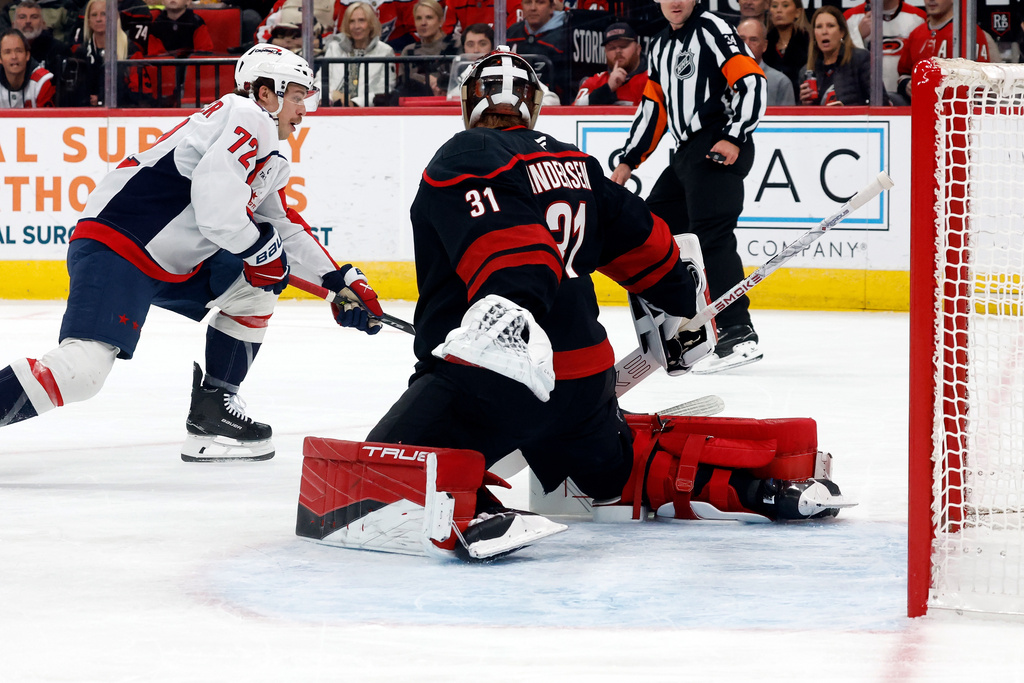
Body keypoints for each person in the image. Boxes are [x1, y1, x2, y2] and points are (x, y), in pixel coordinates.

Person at [296, 48, 849, 562]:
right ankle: (760, 487)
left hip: (493, 383)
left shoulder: (466, 153)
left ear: (467, 104)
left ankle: (475, 510)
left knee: (369, 475)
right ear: (533, 105)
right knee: (610, 470)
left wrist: (510, 312)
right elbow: (650, 245)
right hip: (585, 383)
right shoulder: (575, 162)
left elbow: (517, 255)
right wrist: (685, 307)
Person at [0, 44, 385, 464]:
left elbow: (282, 226)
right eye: (296, 96)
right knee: (83, 371)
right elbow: (217, 209)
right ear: (265, 94)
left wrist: (338, 281)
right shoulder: (247, 117)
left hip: (168, 258)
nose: (303, 108)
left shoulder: (266, 147)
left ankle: (213, 412)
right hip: (121, 244)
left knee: (254, 289)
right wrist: (261, 252)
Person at [610, 0, 767, 374]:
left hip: (716, 144)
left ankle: (737, 331)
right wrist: (629, 159)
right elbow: (654, 107)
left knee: (711, 237)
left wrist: (735, 135)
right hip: (684, 154)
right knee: (651, 228)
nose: (675, 1)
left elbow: (750, 80)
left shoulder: (714, 29)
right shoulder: (662, 45)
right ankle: (686, 324)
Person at [896, 0, 997, 101]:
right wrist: (907, 84)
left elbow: (983, 83)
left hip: (956, 109)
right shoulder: (916, 33)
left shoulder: (970, 33)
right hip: (921, 107)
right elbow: (904, 73)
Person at [64, 0, 153, 106]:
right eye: (94, 15)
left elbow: (143, 96)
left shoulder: (130, 51)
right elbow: (70, 94)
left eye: (104, 14)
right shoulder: (81, 53)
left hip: (123, 116)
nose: (98, 19)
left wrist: (102, 100)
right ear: (88, 20)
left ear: (114, 17)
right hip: (86, 117)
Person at [799, 6, 888, 106]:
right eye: (819, 27)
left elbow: (881, 102)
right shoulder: (807, 71)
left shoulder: (860, 59)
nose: (824, 32)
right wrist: (804, 104)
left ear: (842, 32)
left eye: (830, 26)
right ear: (814, 34)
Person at [844, 0, 925, 103]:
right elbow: (841, 66)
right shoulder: (850, 18)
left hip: (907, 102)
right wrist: (857, 35)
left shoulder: (918, 18)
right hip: (863, 103)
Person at [319, 1, 396, 107]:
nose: (356, 26)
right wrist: (327, 99)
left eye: (361, 21)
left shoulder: (385, 51)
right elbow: (320, 81)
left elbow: (384, 90)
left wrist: (355, 103)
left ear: (371, 24)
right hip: (332, 106)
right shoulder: (334, 48)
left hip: (366, 110)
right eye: (352, 21)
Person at [506, 0, 570, 102]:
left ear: (552, 6)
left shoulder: (567, 34)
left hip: (553, 106)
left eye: (540, 2)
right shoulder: (512, 33)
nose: (533, 8)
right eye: (528, 2)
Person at [572, 21, 648, 106]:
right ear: (605, 52)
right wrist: (607, 89)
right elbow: (572, 113)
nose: (618, 51)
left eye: (623, 46)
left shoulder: (653, 80)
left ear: (638, 49)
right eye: (611, 48)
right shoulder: (594, 82)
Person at [11, 0, 69, 102]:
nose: (28, 21)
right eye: (22, 17)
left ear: (43, 24)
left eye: (34, 17)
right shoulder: (3, 51)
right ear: (13, 24)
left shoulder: (59, 50)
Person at [397, 0, 457, 94]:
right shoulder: (409, 51)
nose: (423, 23)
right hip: (417, 104)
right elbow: (403, 83)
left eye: (429, 17)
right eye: (418, 18)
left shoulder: (455, 45)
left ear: (441, 21)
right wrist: (425, 80)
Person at [737, 17, 794, 106]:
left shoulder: (781, 82)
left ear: (764, 46)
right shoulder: (719, 80)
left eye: (753, 40)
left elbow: (787, 119)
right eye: (741, 39)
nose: (746, 45)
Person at [763, 0, 811, 100]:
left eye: (785, 5)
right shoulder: (764, 44)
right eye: (774, 6)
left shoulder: (809, 42)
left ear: (798, 12)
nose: (779, 10)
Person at [0, 27, 55, 106]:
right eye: (7, 52)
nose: (14, 56)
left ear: (27, 55)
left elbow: (47, 118)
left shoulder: (42, 81)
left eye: (19, 51)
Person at [146, 0, 215, 55]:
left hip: (191, 69)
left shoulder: (196, 22)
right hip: (166, 69)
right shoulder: (157, 24)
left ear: (188, 1)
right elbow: (155, 55)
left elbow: (204, 52)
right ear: (162, 1)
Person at [441, 0, 521, 37]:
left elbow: (514, 37)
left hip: (501, 55)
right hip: (465, 55)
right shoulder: (453, 2)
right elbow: (445, 38)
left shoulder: (513, 2)